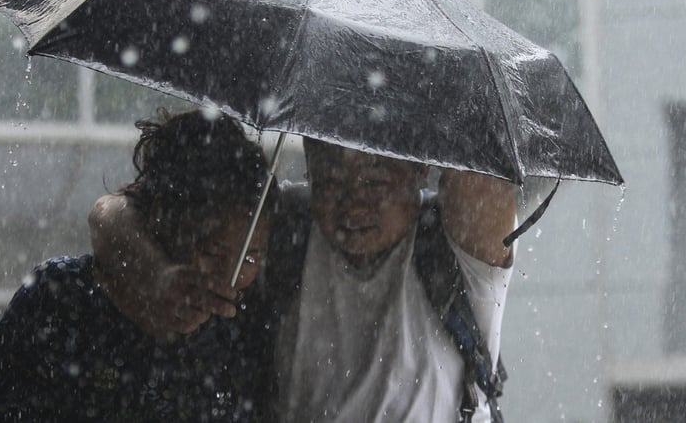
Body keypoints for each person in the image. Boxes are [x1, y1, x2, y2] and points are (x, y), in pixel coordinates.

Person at [91, 137, 517, 422]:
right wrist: (158, 278)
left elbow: (482, 175)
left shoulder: (451, 246)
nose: (352, 203)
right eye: (330, 179)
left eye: (374, 179)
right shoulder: (288, 225)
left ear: (419, 168)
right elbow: (109, 215)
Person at [0, 111, 276, 422]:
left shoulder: (235, 336)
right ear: (161, 216)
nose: (228, 276)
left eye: (250, 259)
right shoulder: (60, 299)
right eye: (211, 251)